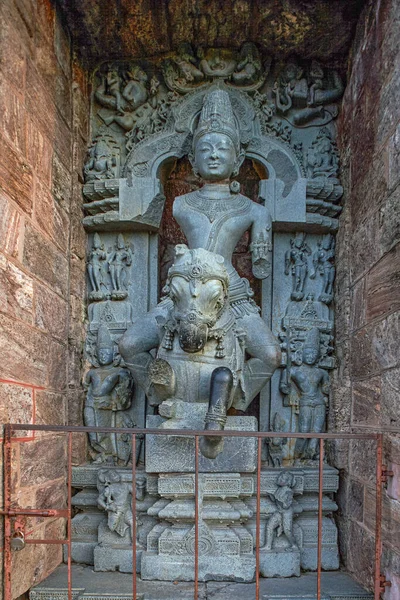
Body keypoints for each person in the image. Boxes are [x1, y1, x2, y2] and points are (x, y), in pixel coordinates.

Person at [120, 87, 281, 411]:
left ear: (237, 159)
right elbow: (130, 346)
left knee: (271, 354)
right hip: (181, 293)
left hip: (232, 296)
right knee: (129, 344)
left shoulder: (254, 210)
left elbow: (262, 267)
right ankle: (160, 392)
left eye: (223, 148)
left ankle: (232, 397)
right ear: (192, 159)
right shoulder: (181, 203)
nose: (214, 154)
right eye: (205, 148)